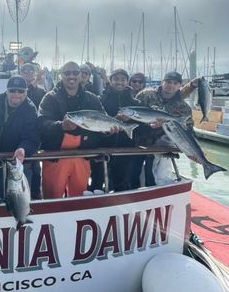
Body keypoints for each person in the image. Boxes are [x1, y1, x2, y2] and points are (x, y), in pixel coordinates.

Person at [38, 61, 109, 198]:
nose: (72, 76)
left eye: (75, 73)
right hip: (55, 157)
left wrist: (108, 132)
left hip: (82, 156)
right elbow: (41, 123)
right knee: (52, 199)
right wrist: (61, 126)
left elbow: (103, 121)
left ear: (80, 75)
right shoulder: (50, 98)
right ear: (61, 75)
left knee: (78, 199)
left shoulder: (92, 99)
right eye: (67, 73)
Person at [0, 75, 39, 200]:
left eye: (21, 91)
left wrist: (23, 148)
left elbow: (32, 136)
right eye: (12, 90)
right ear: (6, 90)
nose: (16, 94)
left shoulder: (30, 109)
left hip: (18, 163)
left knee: (20, 200)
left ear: (26, 92)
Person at [136, 71, 193, 184]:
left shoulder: (184, 107)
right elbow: (134, 114)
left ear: (180, 86)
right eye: (168, 82)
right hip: (140, 142)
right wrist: (148, 125)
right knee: (136, 175)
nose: (171, 85)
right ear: (162, 82)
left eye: (175, 83)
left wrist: (192, 151)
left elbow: (189, 130)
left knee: (158, 175)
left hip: (165, 145)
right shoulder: (146, 94)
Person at [102, 68, 141, 192]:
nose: (120, 82)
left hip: (127, 148)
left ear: (127, 81)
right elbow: (97, 124)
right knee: (102, 183)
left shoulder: (135, 102)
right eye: (116, 79)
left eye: (123, 79)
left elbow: (142, 126)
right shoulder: (101, 100)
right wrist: (115, 119)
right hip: (105, 148)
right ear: (110, 80)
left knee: (124, 184)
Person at [19, 64, 45, 199]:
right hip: (21, 140)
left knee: (37, 172)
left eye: (31, 70)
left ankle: (36, 199)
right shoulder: (15, 89)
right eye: (25, 70)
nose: (28, 73)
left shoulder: (42, 92)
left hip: (37, 139)